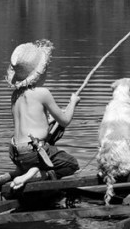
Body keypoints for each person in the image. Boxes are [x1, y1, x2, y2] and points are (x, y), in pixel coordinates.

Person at [6, 39, 80, 190]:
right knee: (71, 164)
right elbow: (65, 121)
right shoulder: (42, 93)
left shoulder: (15, 96)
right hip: (33, 152)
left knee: (38, 154)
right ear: (40, 73)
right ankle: (36, 173)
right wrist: (73, 102)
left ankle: (23, 170)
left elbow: (32, 121)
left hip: (15, 153)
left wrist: (50, 119)